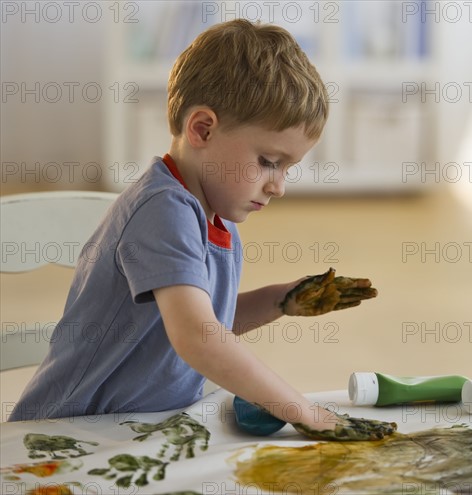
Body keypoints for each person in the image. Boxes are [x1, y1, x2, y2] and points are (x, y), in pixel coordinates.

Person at [9, 19, 396, 441]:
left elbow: (210, 323)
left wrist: (283, 300)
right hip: (66, 436)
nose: (278, 185)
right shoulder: (164, 210)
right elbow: (199, 338)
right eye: (269, 161)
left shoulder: (215, 214)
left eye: (288, 168)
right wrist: (306, 412)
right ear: (202, 129)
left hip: (140, 432)